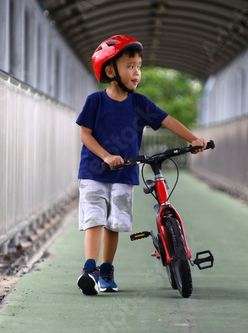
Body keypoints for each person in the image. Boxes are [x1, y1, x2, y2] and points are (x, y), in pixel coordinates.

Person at [76, 35, 207, 295]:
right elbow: (85, 134)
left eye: (139, 67)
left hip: (125, 173)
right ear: (111, 70)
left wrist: (193, 139)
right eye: (130, 66)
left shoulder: (139, 104)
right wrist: (105, 156)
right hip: (94, 171)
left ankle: (106, 270)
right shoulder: (95, 101)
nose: (136, 73)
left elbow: (168, 121)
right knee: (95, 219)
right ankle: (89, 269)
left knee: (115, 223)